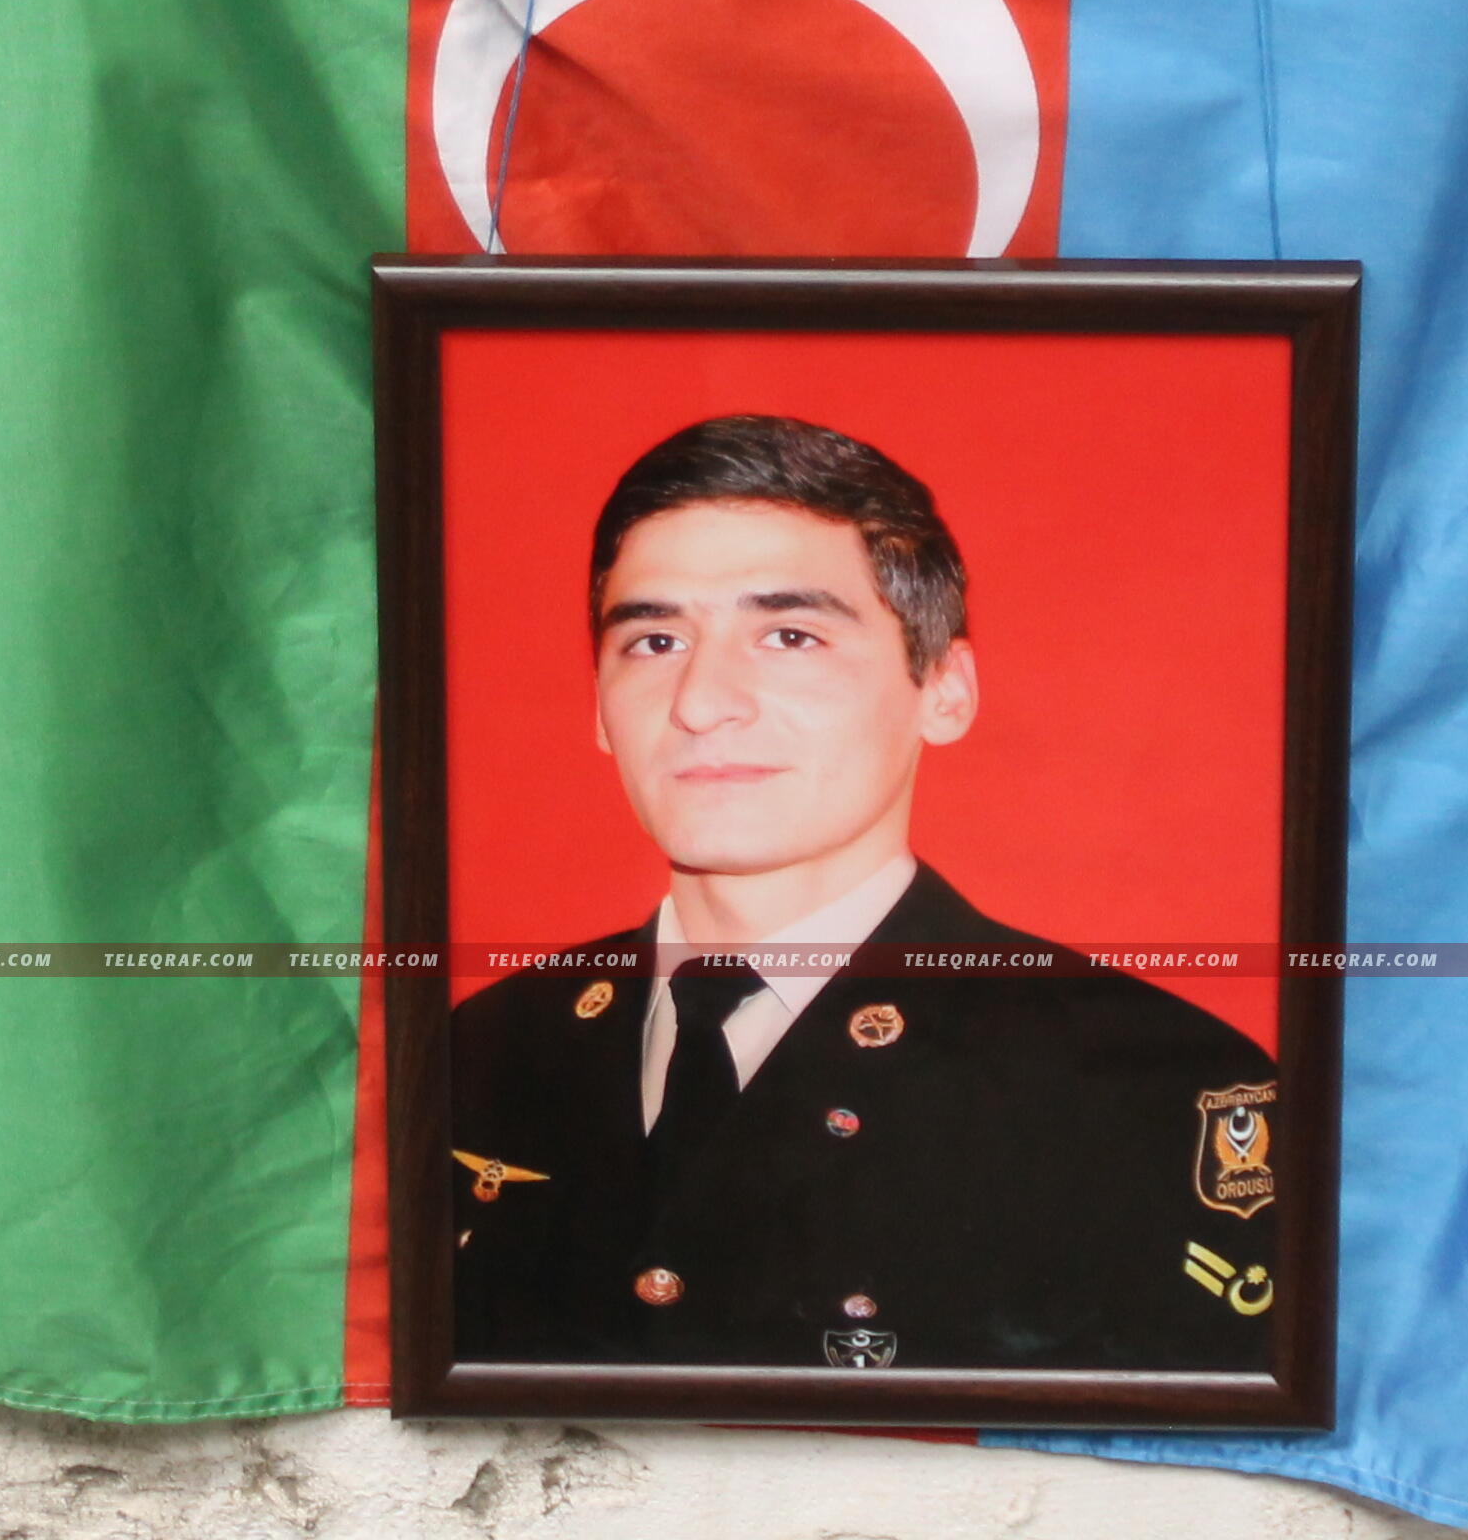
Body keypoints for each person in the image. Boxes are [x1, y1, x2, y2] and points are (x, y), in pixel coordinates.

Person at [448, 413, 1280, 1372]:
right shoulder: (481, 1054)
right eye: (655, 641)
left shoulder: (1141, 1088)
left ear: (945, 689)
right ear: (599, 707)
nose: (701, 702)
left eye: (790, 636)